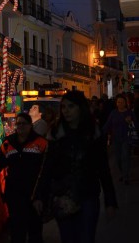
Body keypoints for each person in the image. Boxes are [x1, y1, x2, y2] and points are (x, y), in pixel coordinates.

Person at [33, 90, 117, 243]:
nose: (66, 111)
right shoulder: (56, 134)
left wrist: (110, 201)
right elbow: (47, 166)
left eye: (71, 107)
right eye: (64, 107)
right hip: (62, 196)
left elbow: (103, 168)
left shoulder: (93, 134)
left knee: (86, 238)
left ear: (80, 108)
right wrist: (39, 195)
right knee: (68, 238)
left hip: (88, 195)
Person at [0, 113, 47, 243]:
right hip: (14, 194)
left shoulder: (41, 142)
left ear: (30, 126)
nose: (21, 126)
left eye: (24, 123)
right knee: (17, 231)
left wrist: (43, 195)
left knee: (35, 230)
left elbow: (46, 170)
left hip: (34, 194)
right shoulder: (8, 143)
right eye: (18, 124)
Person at [103, 93, 138, 185]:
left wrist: (130, 122)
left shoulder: (129, 112)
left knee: (125, 157)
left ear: (125, 103)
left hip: (126, 138)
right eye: (118, 102)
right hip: (116, 139)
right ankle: (123, 173)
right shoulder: (113, 113)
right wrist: (100, 132)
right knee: (118, 158)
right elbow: (108, 124)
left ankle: (126, 176)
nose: (120, 104)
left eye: (122, 102)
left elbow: (136, 125)